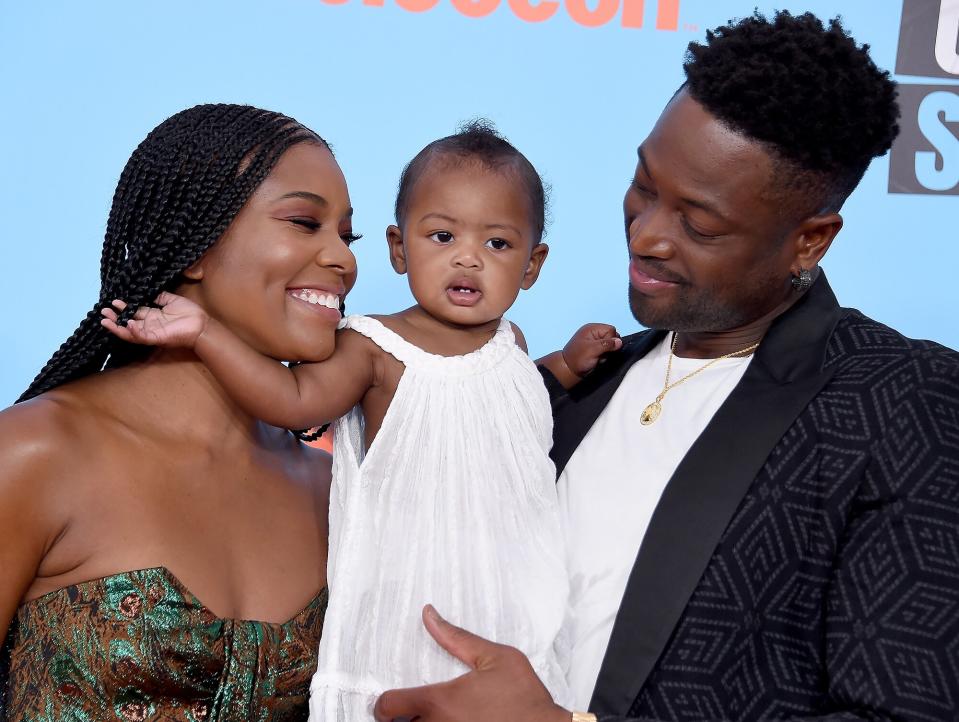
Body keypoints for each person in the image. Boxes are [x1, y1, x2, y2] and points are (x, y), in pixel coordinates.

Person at [371, 11, 959, 722]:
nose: (645, 235)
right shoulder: (588, 376)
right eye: (644, 185)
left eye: (699, 224)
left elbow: (899, 712)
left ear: (808, 241)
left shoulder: (900, 400)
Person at [100, 121, 620, 720]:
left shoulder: (513, 344)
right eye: (443, 235)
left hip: (511, 609)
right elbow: (294, 399)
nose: (468, 258)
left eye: (498, 245)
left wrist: (567, 366)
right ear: (400, 250)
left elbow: (505, 404)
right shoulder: (373, 347)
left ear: (533, 266)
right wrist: (205, 333)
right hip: (408, 613)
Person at [0, 103, 359, 720]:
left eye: (346, 237)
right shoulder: (35, 452)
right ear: (195, 247)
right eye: (305, 222)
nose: (344, 261)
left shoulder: (340, 490)